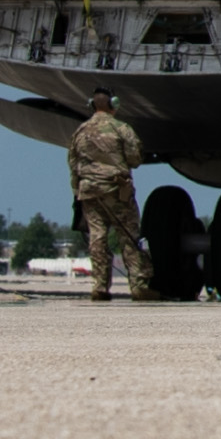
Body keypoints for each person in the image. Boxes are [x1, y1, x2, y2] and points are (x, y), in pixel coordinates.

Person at [68, 104, 147, 301]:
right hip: (116, 190)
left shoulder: (81, 131)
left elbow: (73, 164)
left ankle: (100, 287)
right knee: (128, 236)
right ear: (113, 106)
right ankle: (138, 286)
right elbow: (135, 158)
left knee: (97, 238)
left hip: (89, 192)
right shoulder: (121, 128)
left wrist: (78, 191)